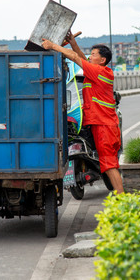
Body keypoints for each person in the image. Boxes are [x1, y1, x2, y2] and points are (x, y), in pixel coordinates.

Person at [42, 32, 124, 194]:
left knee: (109, 164)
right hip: (100, 124)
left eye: (93, 55)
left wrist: (53, 46)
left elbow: (75, 58)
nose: (89, 56)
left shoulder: (99, 72)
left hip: (104, 126)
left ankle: (123, 199)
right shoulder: (97, 70)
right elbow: (81, 58)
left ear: (102, 60)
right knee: (107, 163)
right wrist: (72, 42)